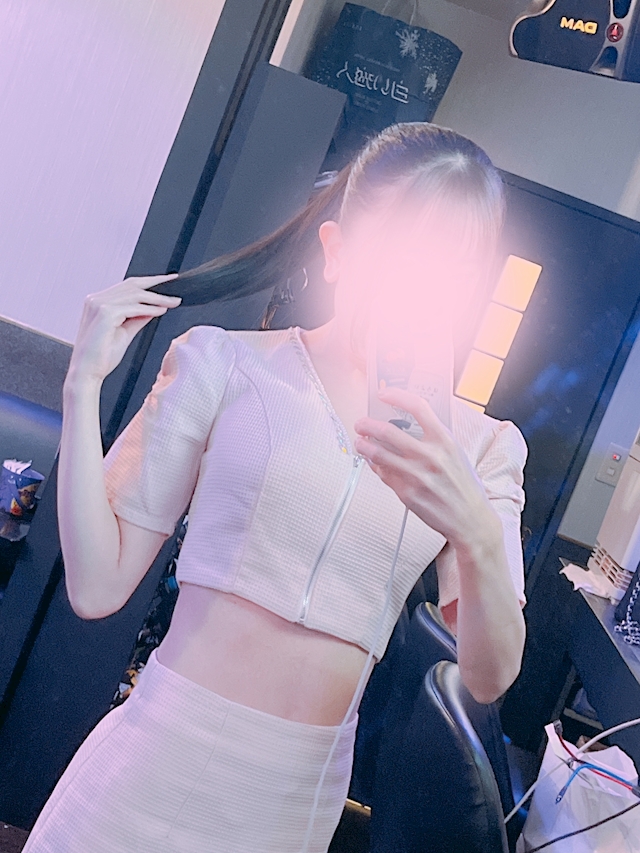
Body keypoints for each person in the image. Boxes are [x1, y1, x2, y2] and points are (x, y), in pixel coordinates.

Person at [23, 122, 527, 853]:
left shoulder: (482, 449)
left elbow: (488, 676)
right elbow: (97, 586)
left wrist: (476, 530)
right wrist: (82, 387)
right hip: (149, 772)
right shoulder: (222, 365)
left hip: (292, 811)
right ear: (338, 251)